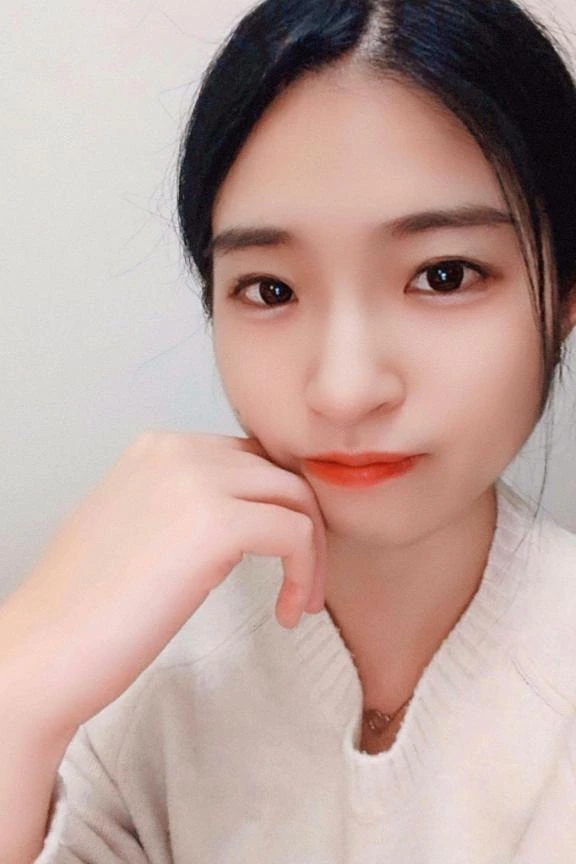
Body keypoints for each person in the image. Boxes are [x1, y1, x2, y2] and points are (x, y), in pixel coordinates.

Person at [2, 0, 576, 860]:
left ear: (564, 294)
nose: (344, 390)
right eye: (271, 289)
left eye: (443, 275)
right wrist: (17, 688)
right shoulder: (138, 672)